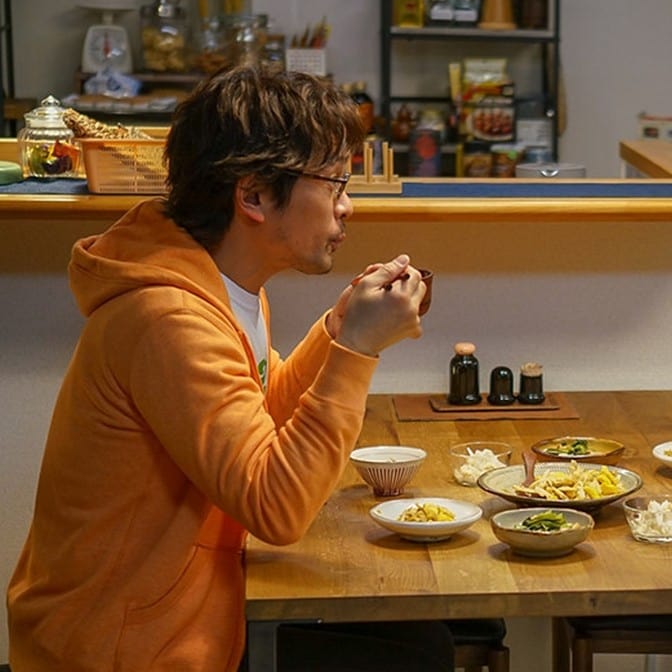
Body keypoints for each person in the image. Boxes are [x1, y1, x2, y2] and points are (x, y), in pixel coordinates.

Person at [7, 66, 453, 671]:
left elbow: (260, 421)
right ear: (253, 196)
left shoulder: (221, 286)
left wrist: (337, 329)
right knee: (415, 658)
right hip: (125, 646)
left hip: (184, 611)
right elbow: (276, 506)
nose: (347, 207)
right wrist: (358, 349)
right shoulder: (169, 319)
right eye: (334, 184)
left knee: (422, 641)